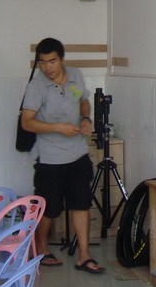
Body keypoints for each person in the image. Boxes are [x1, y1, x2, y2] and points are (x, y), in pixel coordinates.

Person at [20, 37, 105, 273]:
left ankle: (84, 256)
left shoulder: (75, 75)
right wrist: (57, 127)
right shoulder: (36, 87)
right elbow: (27, 122)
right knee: (49, 208)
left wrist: (86, 118)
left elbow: (82, 101)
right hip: (50, 158)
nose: (47, 67)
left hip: (78, 154)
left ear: (62, 59)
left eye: (52, 61)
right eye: (42, 62)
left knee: (81, 204)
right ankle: (41, 248)